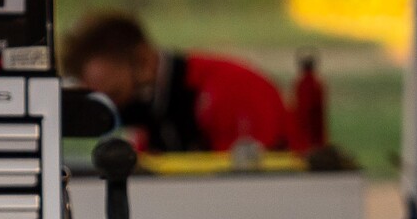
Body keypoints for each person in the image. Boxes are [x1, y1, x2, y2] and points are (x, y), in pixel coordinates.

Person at [60, 11, 307, 154]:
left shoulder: (230, 90)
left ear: (144, 61)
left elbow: (247, 188)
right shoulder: (159, 112)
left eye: (116, 94)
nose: (117, 110)